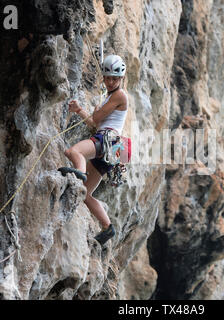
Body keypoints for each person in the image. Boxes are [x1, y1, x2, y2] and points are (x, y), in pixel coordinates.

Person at [58, 54, 128, 246]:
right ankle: (107, 228)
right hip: (110, 145)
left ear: (121, 78)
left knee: (73, 152)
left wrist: (97, 110)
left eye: (115, 78)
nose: (110, 81)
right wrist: (79, 109)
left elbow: (97, 120)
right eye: (107, 77)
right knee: (86, 195)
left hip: (108, 140)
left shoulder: (120, 95)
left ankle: (78, 175)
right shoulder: (109, 97)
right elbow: (92, 123)